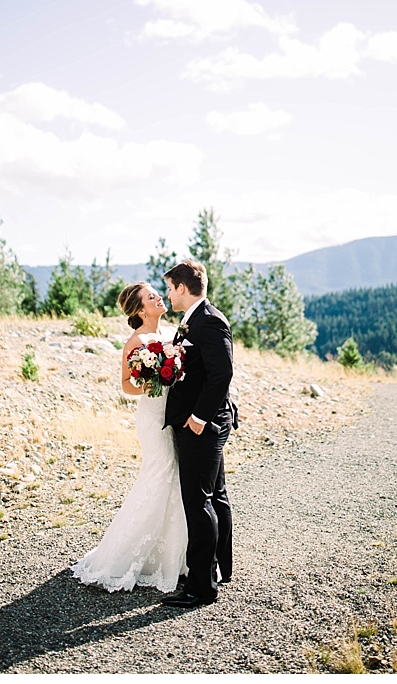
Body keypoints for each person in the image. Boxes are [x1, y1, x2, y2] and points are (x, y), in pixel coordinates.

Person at [71, 282, 188, 592]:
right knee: (160, 472)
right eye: (152, 297)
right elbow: (126, 384)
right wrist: (152, 382)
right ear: (140, 310)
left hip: (172, 416)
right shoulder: (136, 342)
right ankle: (123, 557)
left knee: (175, 477)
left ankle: (174, 555)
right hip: (152, 418)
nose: (159, 297)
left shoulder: (170, 335)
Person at [161, 260, 237, 608]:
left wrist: (198, 418)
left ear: (182, 287)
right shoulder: (192, 320)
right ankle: (220, 568)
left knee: (198, 501)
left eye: (170, 288)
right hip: (200, 422)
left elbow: (222, 375)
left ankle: (201, 587)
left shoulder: (210, 321)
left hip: (202, 426)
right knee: (215, 495)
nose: (168, 295)